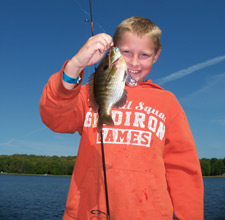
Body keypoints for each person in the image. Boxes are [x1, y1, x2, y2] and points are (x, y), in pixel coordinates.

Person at [40, 16, 204, 220]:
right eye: (126, 52)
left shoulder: (167, 103)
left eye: (144, 54)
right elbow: (54, 118)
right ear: (113, 51)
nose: (134, 62)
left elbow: (183, 169)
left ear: (156, 56)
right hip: (87, 212)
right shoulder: (86, 95)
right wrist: (74, 66)